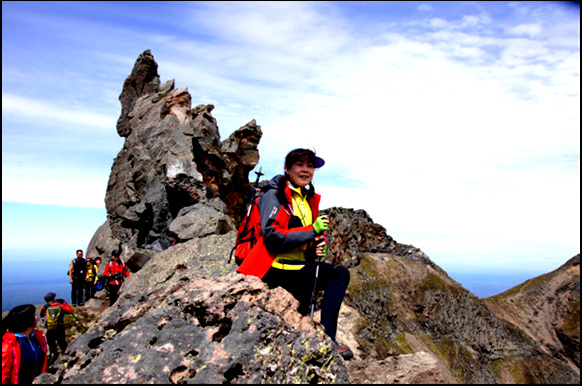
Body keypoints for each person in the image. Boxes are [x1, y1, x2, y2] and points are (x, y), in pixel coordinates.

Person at [237, 148, 353, 360]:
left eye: (310, 166)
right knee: (339, 274)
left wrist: (314, 247)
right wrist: (312, 231)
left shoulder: (307, 200)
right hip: (273, 268)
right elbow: (272, 238)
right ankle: (328, 339)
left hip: (295, 268)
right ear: (287, 168)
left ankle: (324, 339)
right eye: (300, 164)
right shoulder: (274, 195)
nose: (305, 169)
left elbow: (300, 236)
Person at [2, 304, 48, 384]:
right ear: (27, 320)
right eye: (34, 315)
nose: (37, 317)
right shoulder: (9, 345)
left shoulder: (37, 338)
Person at [39, 292, 72, 365]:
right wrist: (63, 303)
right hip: (60, 328)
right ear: (53, 298)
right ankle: (66, 357)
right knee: (62, 343)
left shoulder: (45, 307)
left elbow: (41, 314)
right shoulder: (59, 306)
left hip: (50, 328)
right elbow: (69, 311)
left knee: (52, 345)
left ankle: (53, 359)